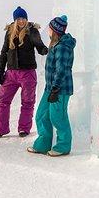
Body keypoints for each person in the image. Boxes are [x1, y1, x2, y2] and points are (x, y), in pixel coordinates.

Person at [0, 7, 48, 138]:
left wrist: (44, 49)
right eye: (19, 18)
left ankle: (24, 128)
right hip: (11, 73)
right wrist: (0, 71)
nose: (22, 21)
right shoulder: (9, 32)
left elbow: (39, 45)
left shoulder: (32, 31)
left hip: (27, 73)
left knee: (27, 101)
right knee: (3, 101)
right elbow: (4, 52)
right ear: (15, 20)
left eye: (23, 18)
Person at [28, 15, 76, 157]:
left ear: (54, 30)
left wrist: (55, 88)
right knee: (42, 115)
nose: (48, 30)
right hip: (50, 88)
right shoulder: (55, 44)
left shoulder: (62, 47)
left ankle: (63, 146)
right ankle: (43, 144)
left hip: (59, 89)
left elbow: (61, 69)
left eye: (50, 28)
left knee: (58, 117)